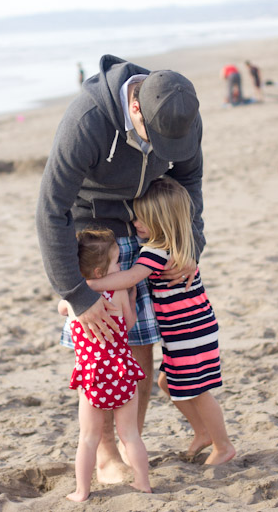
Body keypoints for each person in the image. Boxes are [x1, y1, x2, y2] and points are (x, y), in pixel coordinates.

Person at [36, 54, 204, 482]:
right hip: (92, 235)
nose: (164, 153)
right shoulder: (88, 119)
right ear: (134, 109)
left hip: (144, 229)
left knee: (138, 357)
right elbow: (50, 209)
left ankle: (132, 440)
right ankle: (106, 454)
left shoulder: (179, 113)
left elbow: (191, 182)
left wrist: (191, 247)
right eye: (158, 141)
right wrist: (78, 294)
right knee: (100, 356)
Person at [88, 177, 235, 467]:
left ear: (162, 222)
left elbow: (130, 277)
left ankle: (223, 446)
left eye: (143, 219)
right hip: (191, 329)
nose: (136, 224)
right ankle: (203, 432)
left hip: (188, 332)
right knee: (168, 383)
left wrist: (89, 285)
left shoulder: (157, 250)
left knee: (198, 392)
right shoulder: (181, 244)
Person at [58, 228, 151, 501]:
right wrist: (132, 302)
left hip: (93, 377)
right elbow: (130, 325)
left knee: (88, 438)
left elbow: (61, 309)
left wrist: (78, 290)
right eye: (117, 262)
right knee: (130, 435)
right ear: (100, 272)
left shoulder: (76, 301)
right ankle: (142, 482)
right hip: (122, 373)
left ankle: (81, 491)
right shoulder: (119, 291)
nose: (121, 267)